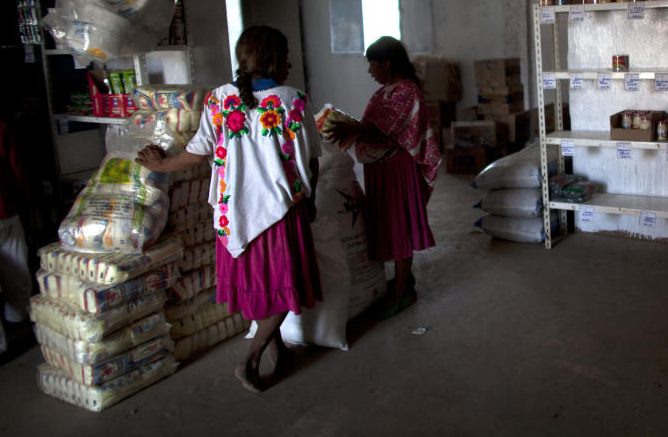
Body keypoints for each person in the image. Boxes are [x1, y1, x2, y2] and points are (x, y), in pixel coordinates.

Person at [137, 26, 322, 392]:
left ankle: (279, 352)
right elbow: (310, 159)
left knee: (257, 284)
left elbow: (197, 152)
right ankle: (251, 360)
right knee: (287, 286)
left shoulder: (219, 99)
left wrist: (161, 166)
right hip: (279, 213)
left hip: (232, 212)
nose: (289, 64)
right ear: (272, 60)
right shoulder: (294, 101)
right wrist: (310, 200)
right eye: (285, 57)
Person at [327, 36, 441, 319]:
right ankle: (404, 279)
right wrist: (345, 127)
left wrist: (351, 129)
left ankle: (401, 292)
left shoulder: (406, 91)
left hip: (397, 169)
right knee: (387, 224)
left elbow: (387, 128)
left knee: (399, 226)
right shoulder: (384, 93)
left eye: (372, 65)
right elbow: (370, 126)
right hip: (380, 169)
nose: (370, 72)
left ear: (387, 64)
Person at [0, 114, 31, 357]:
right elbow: (16, 165)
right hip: (6, 207)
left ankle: (0, 346)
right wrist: (24, 199)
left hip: (7, 208)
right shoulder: (0, 123)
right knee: (17, 269)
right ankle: (20, 318)